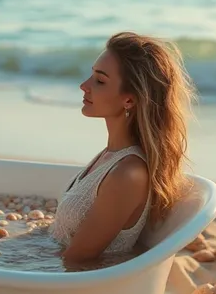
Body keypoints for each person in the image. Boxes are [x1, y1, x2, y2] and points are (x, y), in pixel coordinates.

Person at [50, 31, 195, 269]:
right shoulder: (110, 156)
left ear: (129, 100)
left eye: (100, 80)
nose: (84, 86)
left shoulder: (128, 174)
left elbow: (76, 260)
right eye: (91, 75)